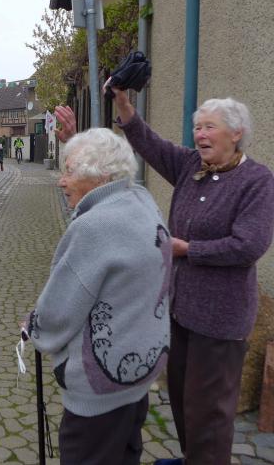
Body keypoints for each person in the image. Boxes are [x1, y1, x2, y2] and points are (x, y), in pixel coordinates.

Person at [57, 86, 274, 465]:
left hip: (219, 320)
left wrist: (188, 249)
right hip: (178, 310)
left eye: (209, 127)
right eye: (197, 127)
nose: (200, 134)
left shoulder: (256, 180)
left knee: (209, 412)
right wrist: (123, 105)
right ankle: (192, 457)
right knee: (182, 398)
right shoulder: (192, 167)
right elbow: (150, 145)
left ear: (236, 132)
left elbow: (248, 246)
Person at [25, 127, 171, 465]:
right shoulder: (142, 200)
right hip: (139, 369)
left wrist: (34, 327)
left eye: (69, 172)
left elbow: (58, 311)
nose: (61, 181)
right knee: (126, 453)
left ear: (100, 176)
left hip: (100, 388)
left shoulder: (94, 226)